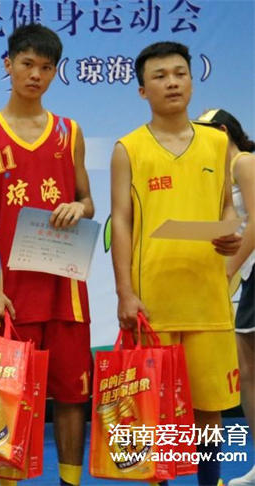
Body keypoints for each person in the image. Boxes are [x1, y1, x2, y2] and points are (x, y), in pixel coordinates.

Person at [0, 23, 94, 486]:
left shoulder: (69, 131)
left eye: (45, 67)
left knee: (72, 395)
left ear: (55, 72)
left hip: (64, 285)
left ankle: (69, 481)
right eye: (27, 64)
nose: (35, 75)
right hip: (11, 289)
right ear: (8, 65)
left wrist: (79, 207)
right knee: (6, 391)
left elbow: (87, 200)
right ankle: (9, 481)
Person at [110, 42, 241, 486]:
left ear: (192, 81)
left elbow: (226, 207)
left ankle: (210, 481)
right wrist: (125, 293)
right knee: (152, 408)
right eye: (160, 76)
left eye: (180, 73)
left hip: (208, 297)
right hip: (154, 302)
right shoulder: (128, 148)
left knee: (209, 409)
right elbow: (121, 222)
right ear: (142, 90)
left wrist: (229, 231)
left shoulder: (218, 143)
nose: (172, 83)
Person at [195, 108, 255, 486]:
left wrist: (229, 270)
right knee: (248, 372)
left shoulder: (243, 162)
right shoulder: (218, 174)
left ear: (221, 131)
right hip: (249, 278)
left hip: (250, 273)